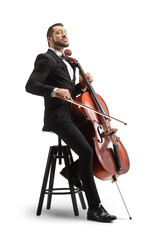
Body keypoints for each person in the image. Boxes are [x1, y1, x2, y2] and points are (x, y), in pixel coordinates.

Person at [25, 23, 117, 222]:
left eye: (65, 32)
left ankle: (72, 171)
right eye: (59, 32)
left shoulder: (68, 61)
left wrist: (81, 86)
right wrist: (54, 91)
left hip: (72, 116)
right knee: (86, 152)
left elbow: (70, 94)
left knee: (93, 148)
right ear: (50, 39)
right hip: (58, 118)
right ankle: (95, 208)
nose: (64, 35)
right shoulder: (45, 58)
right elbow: (30, 85)